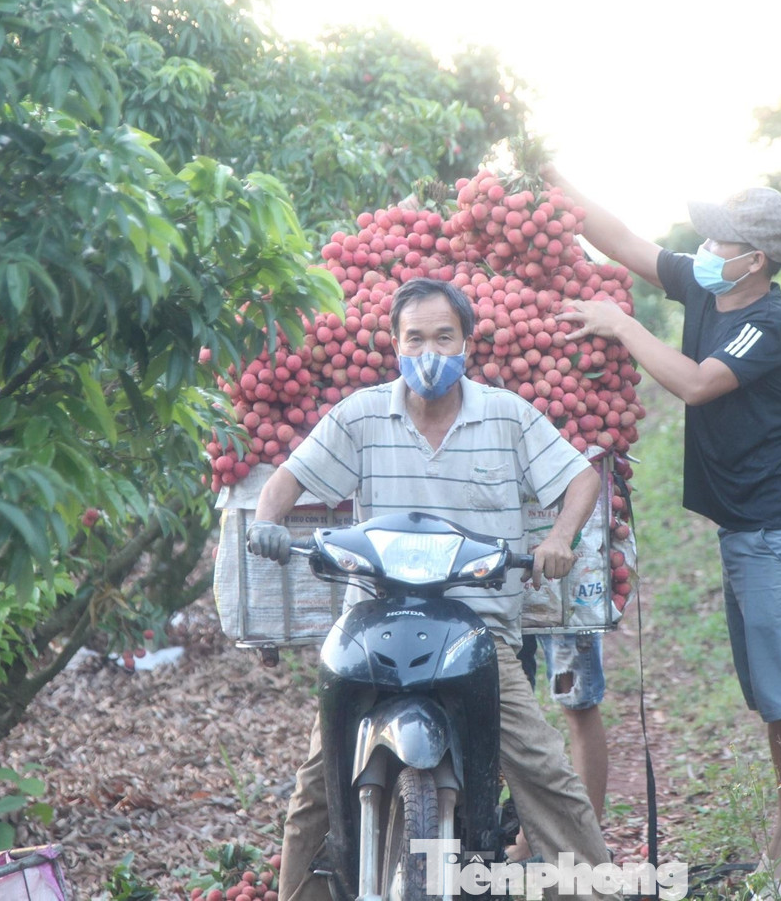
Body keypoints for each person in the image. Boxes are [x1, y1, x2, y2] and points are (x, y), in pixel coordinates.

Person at [245, 277, 619, 901]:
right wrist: (266, 522)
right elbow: (288, 478)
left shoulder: (506, 414)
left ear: (467, 341)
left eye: (444, 337)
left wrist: (560, 538)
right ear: (394, 344)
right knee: (317, 782)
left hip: (478, 631)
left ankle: (592, 890)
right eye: (415, 338)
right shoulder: (361, 415)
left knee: (543, 769)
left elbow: (580, 478)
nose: (429, 353)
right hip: (372, 626)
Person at [543, 165, 781, 894]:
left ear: (754, 259)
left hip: (778, 532)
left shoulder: (771, 322)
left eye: (719, 240)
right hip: (745, 530)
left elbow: (698, 383)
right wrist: (553, 181)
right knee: (770, 697)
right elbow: (623, 242)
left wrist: (623, 324)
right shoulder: (706, 287)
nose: (704, 248)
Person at [509, 632, 609, 863]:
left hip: (566, 609)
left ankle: (587, 848)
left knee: (578, 700)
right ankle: (525, 841)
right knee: (510, 702)